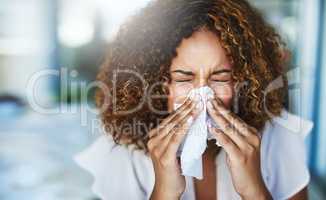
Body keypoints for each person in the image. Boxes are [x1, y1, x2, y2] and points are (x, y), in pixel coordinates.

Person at [75, 0, 313, 199]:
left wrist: (254, 191)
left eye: (220, 78)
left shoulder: (279, 137)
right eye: (183, 78)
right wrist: (164, 193)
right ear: (156, 84)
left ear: (243, 81)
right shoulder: (123, 152)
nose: (202, 96)